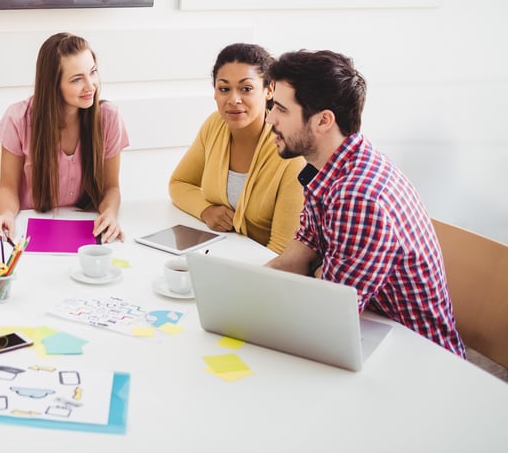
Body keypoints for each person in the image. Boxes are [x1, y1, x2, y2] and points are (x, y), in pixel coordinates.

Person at [264, 50, 465, 356]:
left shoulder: (357, 195)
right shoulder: (330, 169)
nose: (269, 118)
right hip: (374, 329)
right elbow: (301, 254)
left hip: (418, 358)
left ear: (323, 120)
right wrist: (243, 291)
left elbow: (330, 313)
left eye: (281, 109)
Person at [0, 32, 129, 243]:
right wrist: (6, 215)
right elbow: (8, 187)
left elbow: (111, 188)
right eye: (77, 79)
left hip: (89, 230)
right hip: (32, 230)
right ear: (53, 85)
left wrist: (109, 214)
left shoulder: (109, 117)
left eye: (93, 72)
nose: (90, 86)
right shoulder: (18, 118)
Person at [168, 43, 304, 253]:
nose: (233, 99)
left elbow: (282, 251)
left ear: (269, 90)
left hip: (264, 266)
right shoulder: (215, 125)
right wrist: (206, 211)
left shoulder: (290, 153)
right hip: (221, 254)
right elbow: (178, 183)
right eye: (224, 89)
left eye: (246, 89)